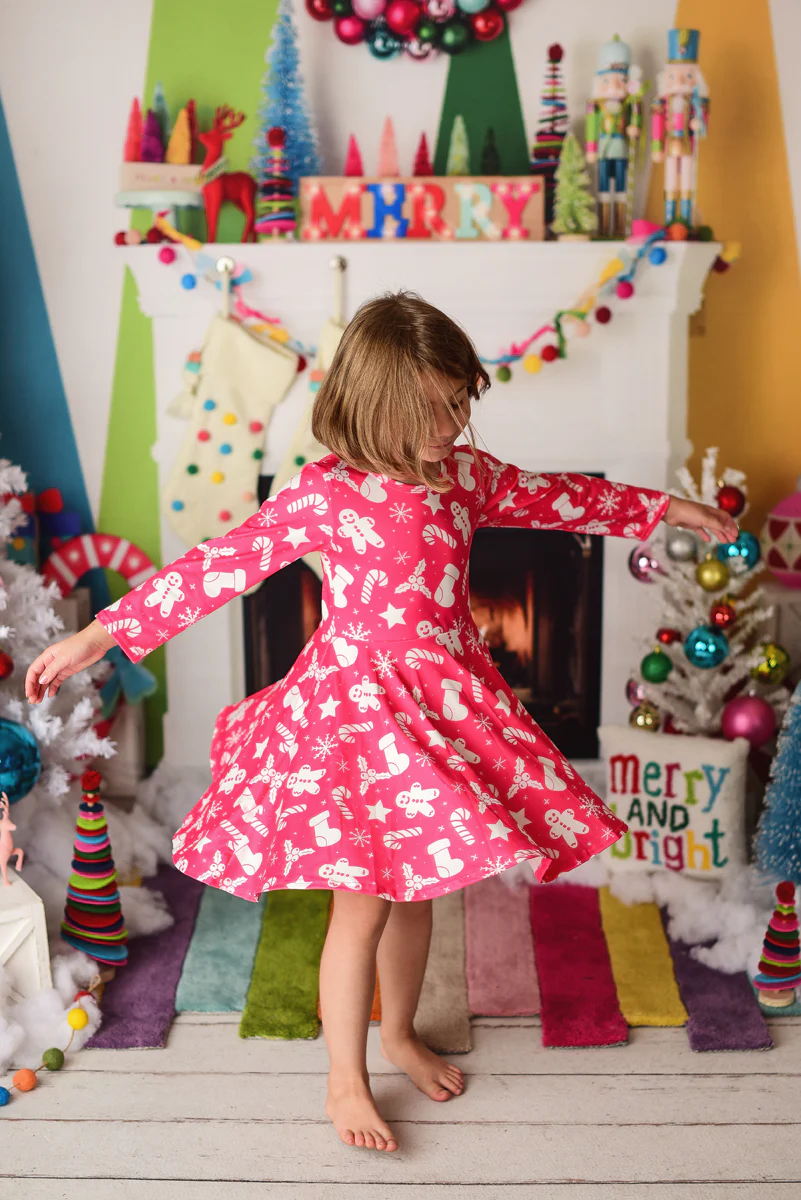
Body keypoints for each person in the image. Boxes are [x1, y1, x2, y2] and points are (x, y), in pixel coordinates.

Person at [26, 292, 738, 1153]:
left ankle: (398, 1033)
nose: (451, 423)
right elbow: (218, 565)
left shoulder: (465, 479)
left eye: (459, 403)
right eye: (432, 408)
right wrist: (99, 634)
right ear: (373, 406)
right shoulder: (329, 493)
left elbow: (560, 499)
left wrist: (665, 509)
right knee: (360, 908)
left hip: (442, 705)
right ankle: (344, 1082)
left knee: (419, 895)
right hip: (357, 718)